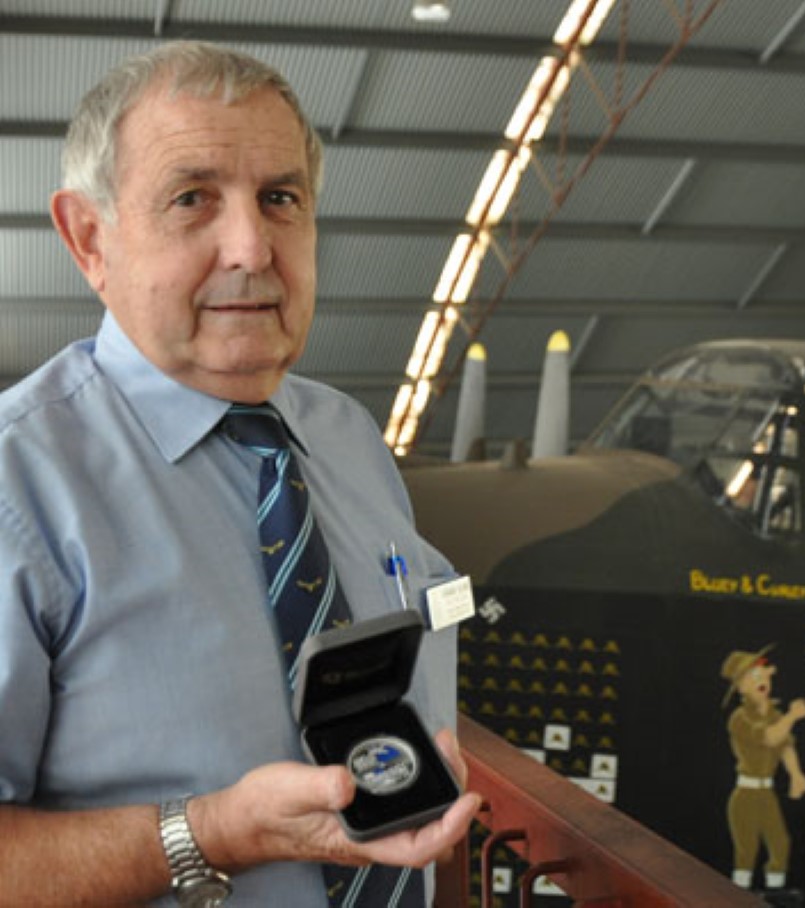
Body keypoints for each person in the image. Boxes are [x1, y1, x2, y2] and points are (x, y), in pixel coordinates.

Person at [0, 42, 481, 905]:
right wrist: (210, 833)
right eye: (193, 199)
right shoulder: (18, 486)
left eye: (281, 199)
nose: (253, 247)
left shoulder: (346, 437)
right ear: (89, 239)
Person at [720, 645, 805, 901]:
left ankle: (776, 894)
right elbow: (770, 738)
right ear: (741, 687)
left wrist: (796, 774)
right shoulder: (739, 718)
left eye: (764, 675)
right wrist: (792, 716)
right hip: (745, 795)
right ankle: (737, 897)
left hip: (766, 794)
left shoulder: (775, 715)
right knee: (747, 850)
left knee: (780, 843)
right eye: (754, 677)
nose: (762, 681)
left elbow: (785, 746)